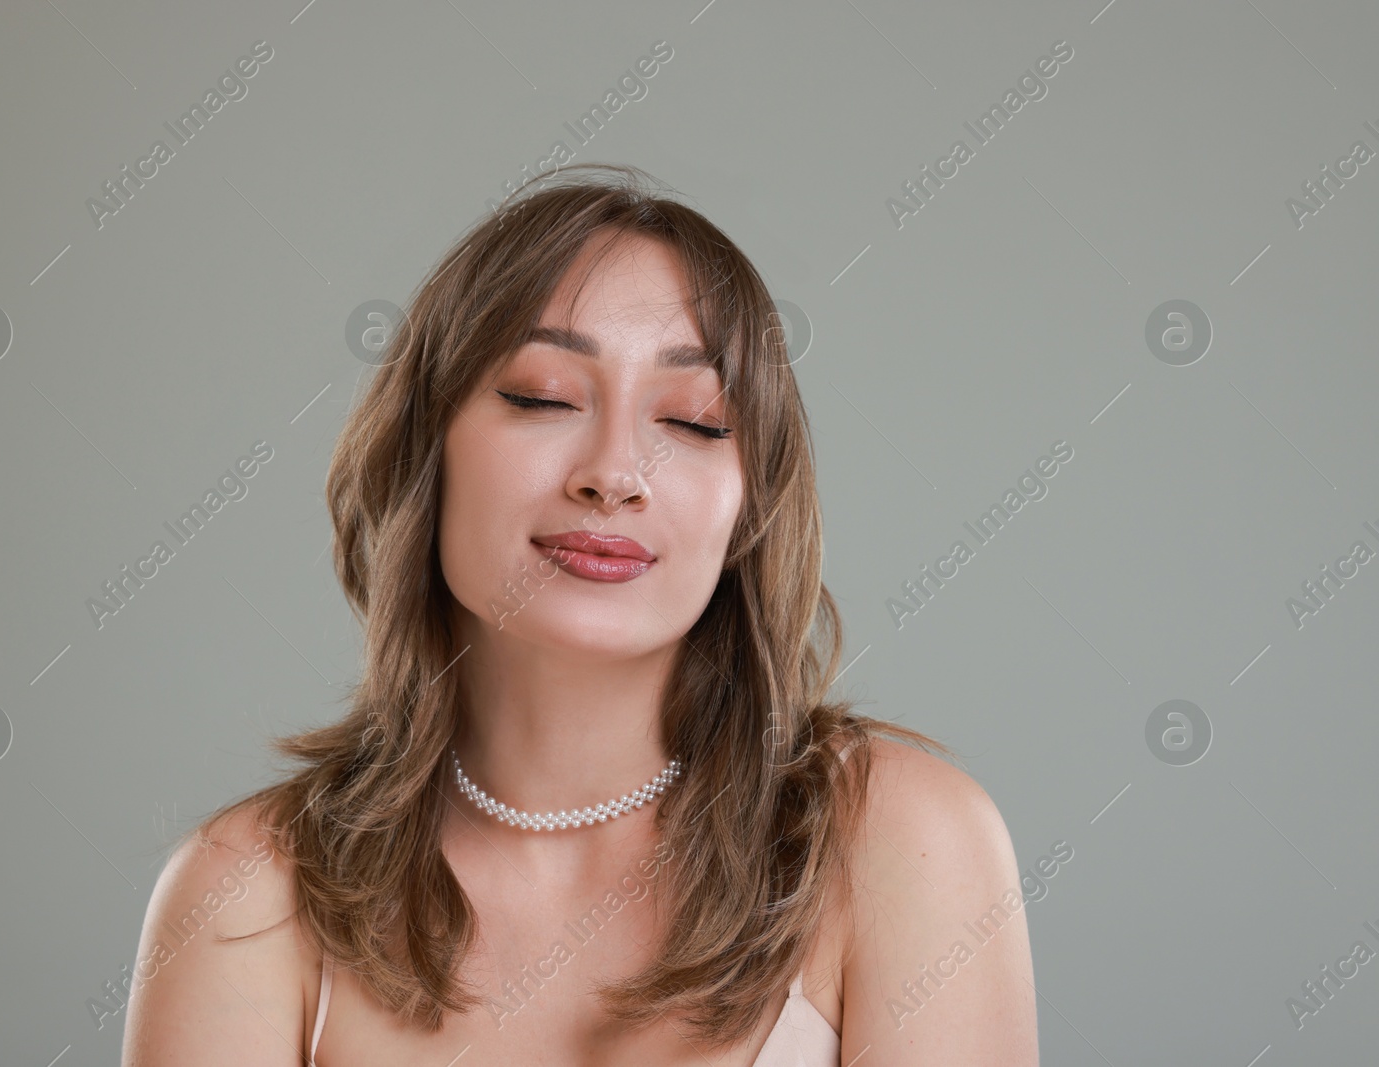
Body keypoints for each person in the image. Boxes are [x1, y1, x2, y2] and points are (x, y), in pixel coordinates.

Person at [121, 163, 1039, 1066]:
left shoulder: (901, 841)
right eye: (542, 397)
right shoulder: (241, 894)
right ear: (426, 452)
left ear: (749, 506)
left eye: (694, 420)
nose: (614, 472)